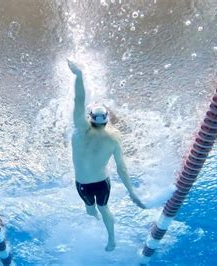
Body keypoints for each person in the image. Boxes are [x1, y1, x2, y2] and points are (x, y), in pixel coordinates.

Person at [67, 59, 146, 252]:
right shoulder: (114, 137)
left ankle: (95, 223)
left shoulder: (80, 129)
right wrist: (132, 193)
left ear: (90, 117)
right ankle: (111, 239)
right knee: (104, 208)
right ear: (106, 120)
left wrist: (79, 75)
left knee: (90, 209)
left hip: (82, 184)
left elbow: (79, 100)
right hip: (102, 183)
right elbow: (122, 168)